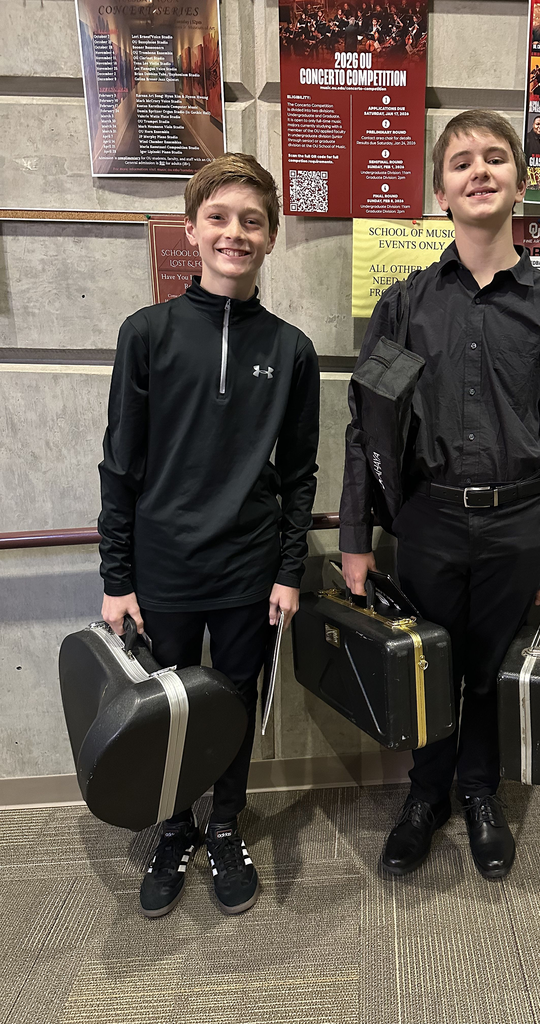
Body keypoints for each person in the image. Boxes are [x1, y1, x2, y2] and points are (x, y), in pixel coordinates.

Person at [339, 109, 540, 881]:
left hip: (518, 523)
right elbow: (367, 424)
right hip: (429, 521)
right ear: (440, 192)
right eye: (459, 163)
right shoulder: (407, 306)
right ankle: (426, 794)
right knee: (429, 666)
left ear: (520, 182)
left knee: (486, 669)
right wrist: (354, 536)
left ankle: (479, 792)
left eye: (493, 158)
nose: (478, 171)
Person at [98, 153, 320, 918]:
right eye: (219, 217)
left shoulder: (292, 351)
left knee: (231, 702)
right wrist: (117, 576)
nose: (235, 232)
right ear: (191, 229)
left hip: (249, 570)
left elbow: (299, 477)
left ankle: (225, 824)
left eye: (252, 221)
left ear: (271, 237)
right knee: (166, 707)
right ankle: (173, 828)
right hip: (162, 568)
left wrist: (289, 570)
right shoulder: (147, 334)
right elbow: (120, 465)